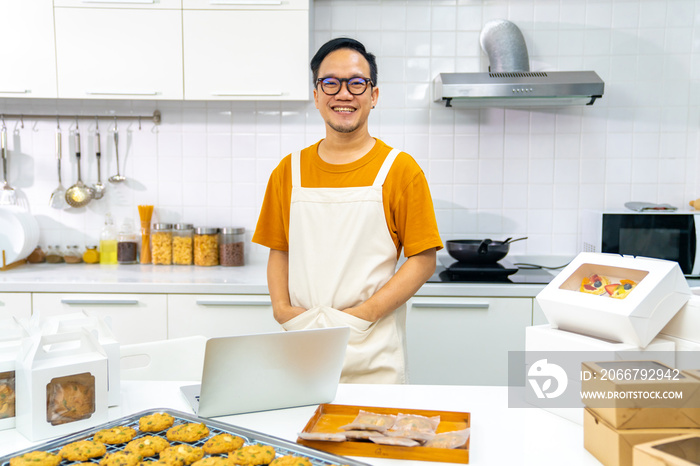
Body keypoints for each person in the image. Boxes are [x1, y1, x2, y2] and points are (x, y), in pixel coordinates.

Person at [252, 37, 442, 384]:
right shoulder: (288, 171)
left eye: (357, 83)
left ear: (374, 95)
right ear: (316, 95)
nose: (343, 94)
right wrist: (282, 311)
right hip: (303, 344)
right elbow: (279, 250)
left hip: (373, 351)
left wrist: (364, 314)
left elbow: (423, 259)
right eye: (330, 82)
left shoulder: (399, 170)